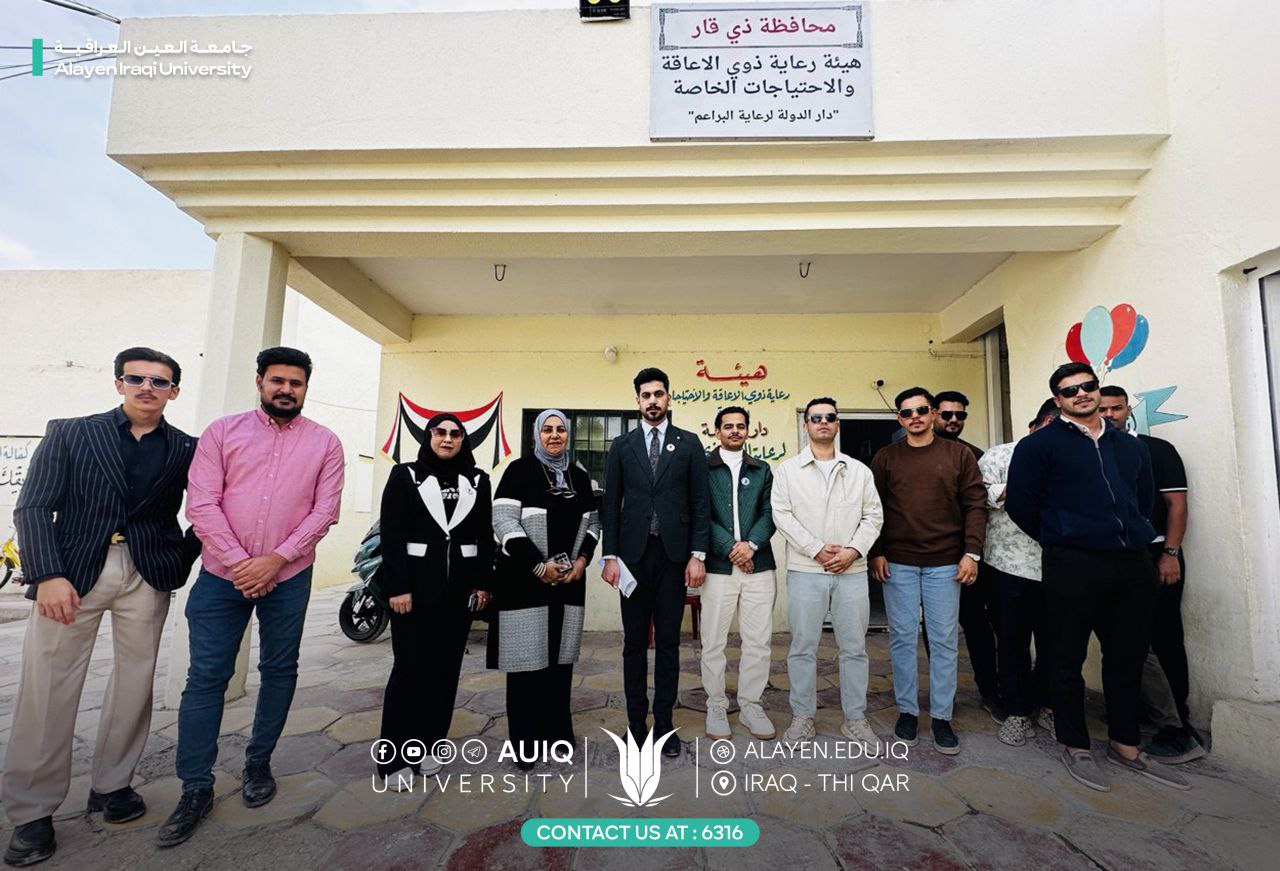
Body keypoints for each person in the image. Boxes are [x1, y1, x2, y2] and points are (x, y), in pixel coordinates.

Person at [4, 349, 199, 868]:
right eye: (136, 378)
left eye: (160, 381)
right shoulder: (71, 432)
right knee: (48, 687)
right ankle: (32, 810)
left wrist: (180, 557)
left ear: (174, 391)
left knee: (136, 681)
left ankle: (113, 785)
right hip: (71, 574)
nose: (147, 387)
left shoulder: (187, 447)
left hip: (146, 573)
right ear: (119, 383)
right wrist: (47, 574)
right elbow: (32, 505)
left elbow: (206, 508)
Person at [159, 347, 345, 847]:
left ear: (305, 389)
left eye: (296, 383)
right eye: (278, 380)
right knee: (206, 678)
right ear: (260, 381)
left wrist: (275, 560)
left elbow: (325, 510)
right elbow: (202, 504)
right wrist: (242, 563)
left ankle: (258, 763)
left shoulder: (325, 443)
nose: (286, 389)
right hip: (223, 576)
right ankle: (195, 786)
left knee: (280, 670)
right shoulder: (221, 433)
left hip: (290, 575)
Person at [1006, 363, 1189, 792]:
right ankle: (1076, 746)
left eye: (1087, 386)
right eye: (1070, 391)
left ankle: (1126, 744)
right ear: (1058, 400)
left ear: (1097, 389)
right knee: (1065, 656)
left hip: (1132, 564)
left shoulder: (1129, 446)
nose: (1081, 394)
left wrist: (1134, 535)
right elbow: (1020, 504)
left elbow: (1142, 499)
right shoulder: (1040, 445)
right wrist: (1060, 538)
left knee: (1127, 656)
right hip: (1073, 563)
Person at [869, 387, 986, 755]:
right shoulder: (886, 458)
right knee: (903, 639)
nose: (915, 417)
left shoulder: (959, 455)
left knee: (944, 641)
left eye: (921, 410)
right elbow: (873, 508)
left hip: (946, 563)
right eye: (907, 413)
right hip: (898, 562)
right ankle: (907, 711)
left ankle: (941, 717)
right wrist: (876, 552)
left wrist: (972, 553)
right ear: (900, 419)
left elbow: (976, 504)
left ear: (933, 413)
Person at [601, 367, 709, 758]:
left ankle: (663, 725)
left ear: (668, 398)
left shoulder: (689, 443)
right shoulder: (622, 446)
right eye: (646, 395)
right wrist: (609, 556)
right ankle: (635, 725)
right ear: (637, 401)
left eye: (658, 394)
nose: (652, 400)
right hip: (631, 559)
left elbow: (700, 502)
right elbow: (610, 503)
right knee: (634, 644)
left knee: (668, 643)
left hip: (673, 558)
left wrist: (698, 555)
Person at [378, 413, 493, 778]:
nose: (447, 439)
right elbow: (391, 535)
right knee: (410, 670)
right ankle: (394, 758)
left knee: (445, 672)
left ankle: (429, 744)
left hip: (458, 594)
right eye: (440, 432)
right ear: (428, 437)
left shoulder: (478, 480)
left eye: (455, 434)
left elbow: (484, 536)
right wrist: (398, 587)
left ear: (463, 440)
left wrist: (483, 584)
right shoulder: (404, 475)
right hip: (412, 594)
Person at [1098, 385, 1203, 763]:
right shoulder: (1096, 454)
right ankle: (1139, 713)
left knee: (1164, 637)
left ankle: (1179, 725)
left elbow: (1176, 506)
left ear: (1128, 410)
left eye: (1116, 408)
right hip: (1114, 558)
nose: (1109, 415)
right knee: (1124, 642)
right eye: (1102, 409)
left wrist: (1170, 553)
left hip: (1156, 553)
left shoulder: (1156, 450)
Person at [489, 410, 598, 769]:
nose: (554, 435)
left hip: (568, 583)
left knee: (560, 663)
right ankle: (525, 743)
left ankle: (557, 734)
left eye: (560, 429)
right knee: (526, 666)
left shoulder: (579, 477)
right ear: (537, 434)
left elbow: (594, 522)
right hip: (525, 582)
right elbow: (503, 520)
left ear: (568, 434)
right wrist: (539, 566)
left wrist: (581, 562)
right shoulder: (519, 471)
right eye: (547, 429)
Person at [772, 398, 883, 745]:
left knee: (854, 648)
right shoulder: (788, 471)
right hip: (806, 569)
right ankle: (802, 717)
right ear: (806, 425)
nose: (823, 422)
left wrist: (853, 551)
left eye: (829, 417)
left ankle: (855, 719)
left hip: (852, 571)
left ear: (837, 424)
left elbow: (873, 516)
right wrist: (816, 549)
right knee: (803, 647)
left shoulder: (859, 471)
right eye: (815, 417)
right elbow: (782, 515)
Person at [980, 398, 1059, 747]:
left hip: (1059, 567)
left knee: (1056, 643)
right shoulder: (1000, 455)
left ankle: (1049, 706)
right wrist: (1021, 486)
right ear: (1036, 424)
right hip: (1007, 566)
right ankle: (1017, 711)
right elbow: (979, 496)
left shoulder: (1073, 457)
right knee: (1012, 642)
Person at [701, 406, 778, 740]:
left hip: (759, 567)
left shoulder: (762, 469)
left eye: (741, 426)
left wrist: (752, 546)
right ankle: (716, 705)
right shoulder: (702, 468)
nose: (735, 430)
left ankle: (750, 705)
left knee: (758, 642)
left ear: (748, 431)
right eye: (728, 426)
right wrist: (732, 548)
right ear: (716, 431)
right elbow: (699, 513)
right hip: (719, 568)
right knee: (713, 642)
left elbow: (770, 512)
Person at [931, 388, 1000, 719]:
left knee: (977, 626)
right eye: (947, 414)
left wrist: (972, 552)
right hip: (930, 557)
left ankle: (990, 691)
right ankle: (941, 698)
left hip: (968, 557)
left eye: (960, 415)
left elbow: (980, 507)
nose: (954, 420)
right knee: (936, 632)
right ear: (933, 414)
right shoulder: (908, 452)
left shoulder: (975, 456)